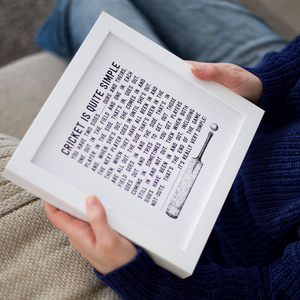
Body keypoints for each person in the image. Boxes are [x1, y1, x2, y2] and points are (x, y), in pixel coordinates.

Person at [37, 0, 300, 299]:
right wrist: (266, 80)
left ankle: (60, 27)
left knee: (86, 4)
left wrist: (140, 278)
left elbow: (271, 289)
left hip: (212, 221)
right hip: (258, 100)